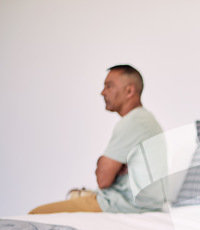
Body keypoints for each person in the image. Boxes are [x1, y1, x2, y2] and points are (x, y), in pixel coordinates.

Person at [29, 65, 164, 214]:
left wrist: (103, 162)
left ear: (129, 91)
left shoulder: (134, 122)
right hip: (139, 204)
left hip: (121, 205)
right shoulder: (145, 120)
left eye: (109, 86)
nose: (102, 92)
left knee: (35, 214)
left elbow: (103, 179)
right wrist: (114, 165)